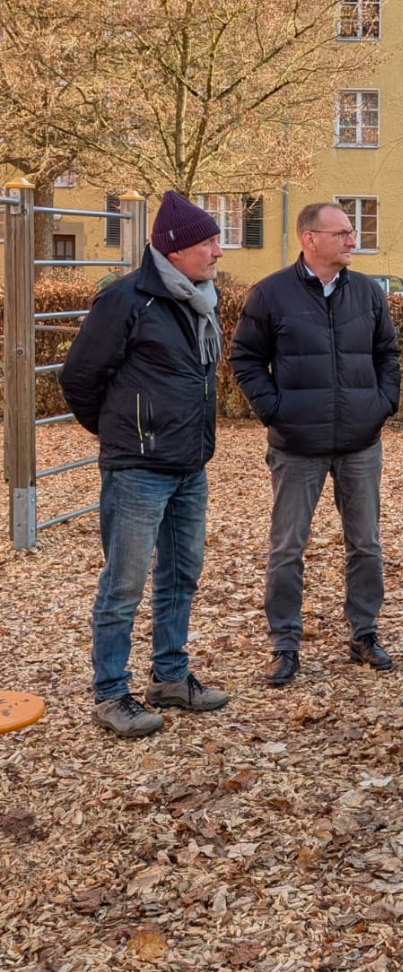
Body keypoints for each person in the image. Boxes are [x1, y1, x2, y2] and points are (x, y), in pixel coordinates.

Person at [60, 191, 230, 738]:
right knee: (124, 583)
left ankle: (170, 677)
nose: (218, 252)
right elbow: (80, 380)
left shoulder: (199, 298)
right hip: (139, 468)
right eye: (209, 241)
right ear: (176, 249)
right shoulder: (128, 299)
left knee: (181, 575)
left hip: (189, 465)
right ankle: (111, 694)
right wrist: (127, 437)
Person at [229, 202, 401, 686]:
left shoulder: (367, 293)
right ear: (310, 238)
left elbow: (388, 352)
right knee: (287, 548)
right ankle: (284, 645)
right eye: (343, 232)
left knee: (365, 544)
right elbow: (244, 358)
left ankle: (364, 632)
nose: (353, 239)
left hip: (359, 442)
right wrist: (276, 410)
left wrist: (382, 404)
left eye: (352, 231)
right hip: (295, 445)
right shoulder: (270, 294)